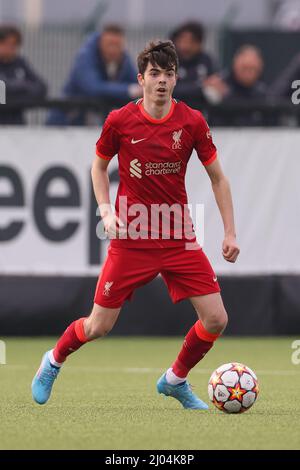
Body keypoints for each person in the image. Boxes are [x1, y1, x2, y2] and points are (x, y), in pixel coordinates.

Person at [32, 40, 240, 410]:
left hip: (178, 237)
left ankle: (174, 380)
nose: (162, 81)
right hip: (132, 238)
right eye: (155, 74)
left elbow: (218, 178)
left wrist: (229, 232)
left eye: (169, 74)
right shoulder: (120, 120)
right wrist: (106, 210)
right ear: (141, 78)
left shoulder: (191, 121)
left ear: (176, 80)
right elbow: (98, 167)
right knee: (98, 326)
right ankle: (53, 360)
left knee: (216, 318)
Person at [47, 24, 141, 126]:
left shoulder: (123, 59)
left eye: (117, 45)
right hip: (65, 121)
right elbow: (93, 88)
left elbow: (137, 81)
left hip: (92, 122)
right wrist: (130, 90)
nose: (112, 50)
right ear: (101, 42)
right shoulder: (85, 57)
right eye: (109, 44)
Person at [170, 21, 227, 105]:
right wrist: (201, 87)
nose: (186, 46)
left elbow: (217, 86)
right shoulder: (170, 61)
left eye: (191, 42)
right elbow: (170, 90)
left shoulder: (207, 61)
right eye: (182, 41)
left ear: (199, 43)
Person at [0, 25, 47, 124]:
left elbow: (41, 88)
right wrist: (22, 87)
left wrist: (15, 90)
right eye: (6, 43)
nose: (10, 48)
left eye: (14, 44)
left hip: (17, 125)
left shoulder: (20, 63)